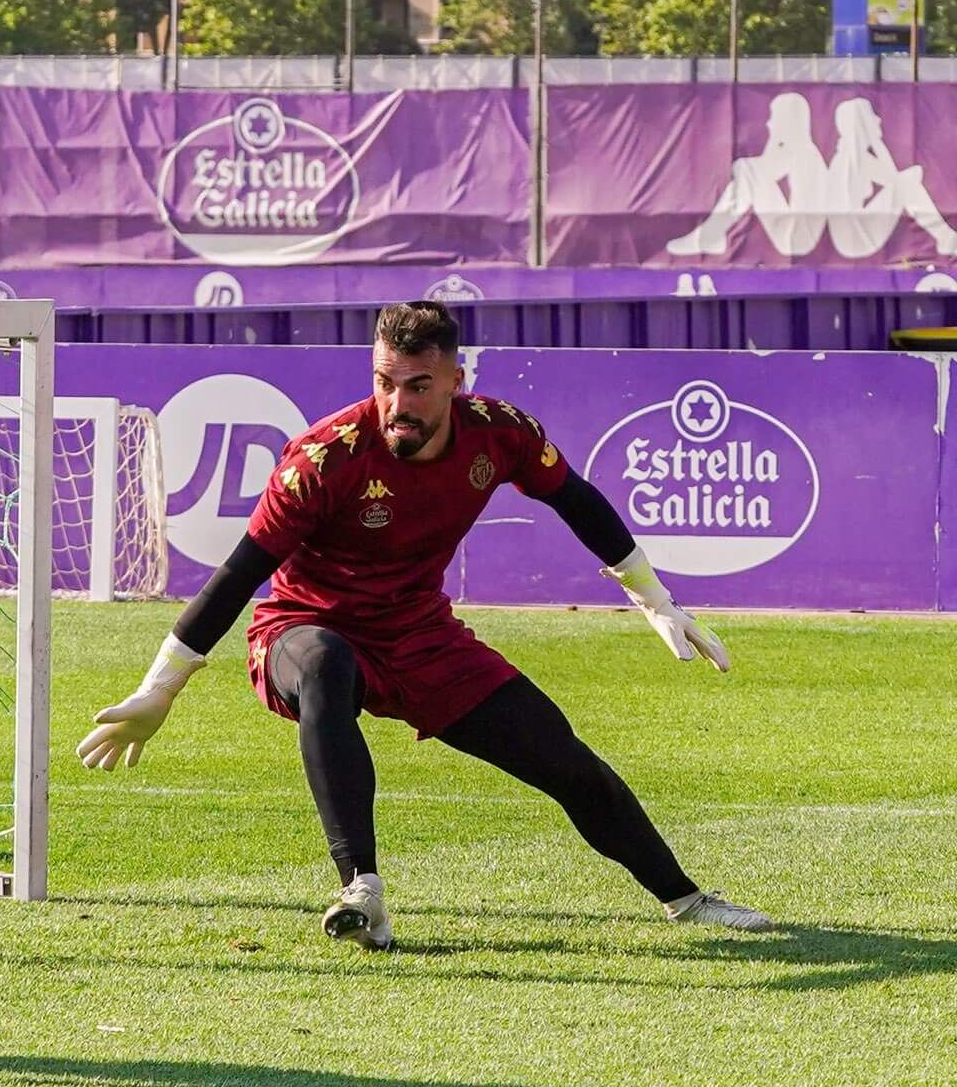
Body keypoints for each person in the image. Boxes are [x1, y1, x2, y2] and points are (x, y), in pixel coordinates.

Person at [81, 301, 773, 950]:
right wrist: (161, 687)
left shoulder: (499, 432)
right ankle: (362, 888)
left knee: (560, 755)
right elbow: (238, 576)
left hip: (418, 633)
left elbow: (576, 500)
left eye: (418, 386)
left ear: (454, 383)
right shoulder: (324, 459)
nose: (398, 403)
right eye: (385, 383)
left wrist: (655, 600)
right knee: (324, 665)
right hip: (303, 624)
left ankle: (686, 899)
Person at [668, 92, 827, 258]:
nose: (769, 124)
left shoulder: (800, 151)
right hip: (798, 232)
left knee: (748, 172)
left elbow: (762, 169)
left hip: (797, 238)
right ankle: (712, 235)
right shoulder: (801, 149)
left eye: (774, 118)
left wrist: (740, 166)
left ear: (788, 121)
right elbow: (765, 167)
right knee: (749, 173)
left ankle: (711, 235)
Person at [826, 97, 957, 259]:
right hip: (856, 237)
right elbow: (895, 180)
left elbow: (893, 179)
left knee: (907, 181)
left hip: (856, 233)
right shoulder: (849, 159)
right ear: (861, 125)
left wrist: (877, 141)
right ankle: (945, 238)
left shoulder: (855, 156)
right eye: (871, 116)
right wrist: (876, 141)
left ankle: (945, 237)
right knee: (906, 183)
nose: (878, 120)